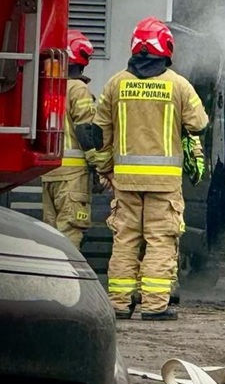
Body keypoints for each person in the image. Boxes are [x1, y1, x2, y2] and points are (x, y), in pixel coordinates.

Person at [90, 17, 209, 321]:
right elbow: (199, 123)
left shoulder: (115, 83)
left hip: (125, 181)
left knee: (125, 239)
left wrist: (105, 169)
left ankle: (119, 303)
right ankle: (155, 306)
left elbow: (98, 132)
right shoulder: (178, 85)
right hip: (164, 183)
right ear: (166, 47)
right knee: (160, 241)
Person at [41, 30, 98, 248]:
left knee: (51, 236)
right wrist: (98, 165)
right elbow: (85, 130)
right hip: (72, 177)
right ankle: (69, 280)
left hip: (49, 174)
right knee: (70, 234)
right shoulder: (78, 89)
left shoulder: (48, 87)